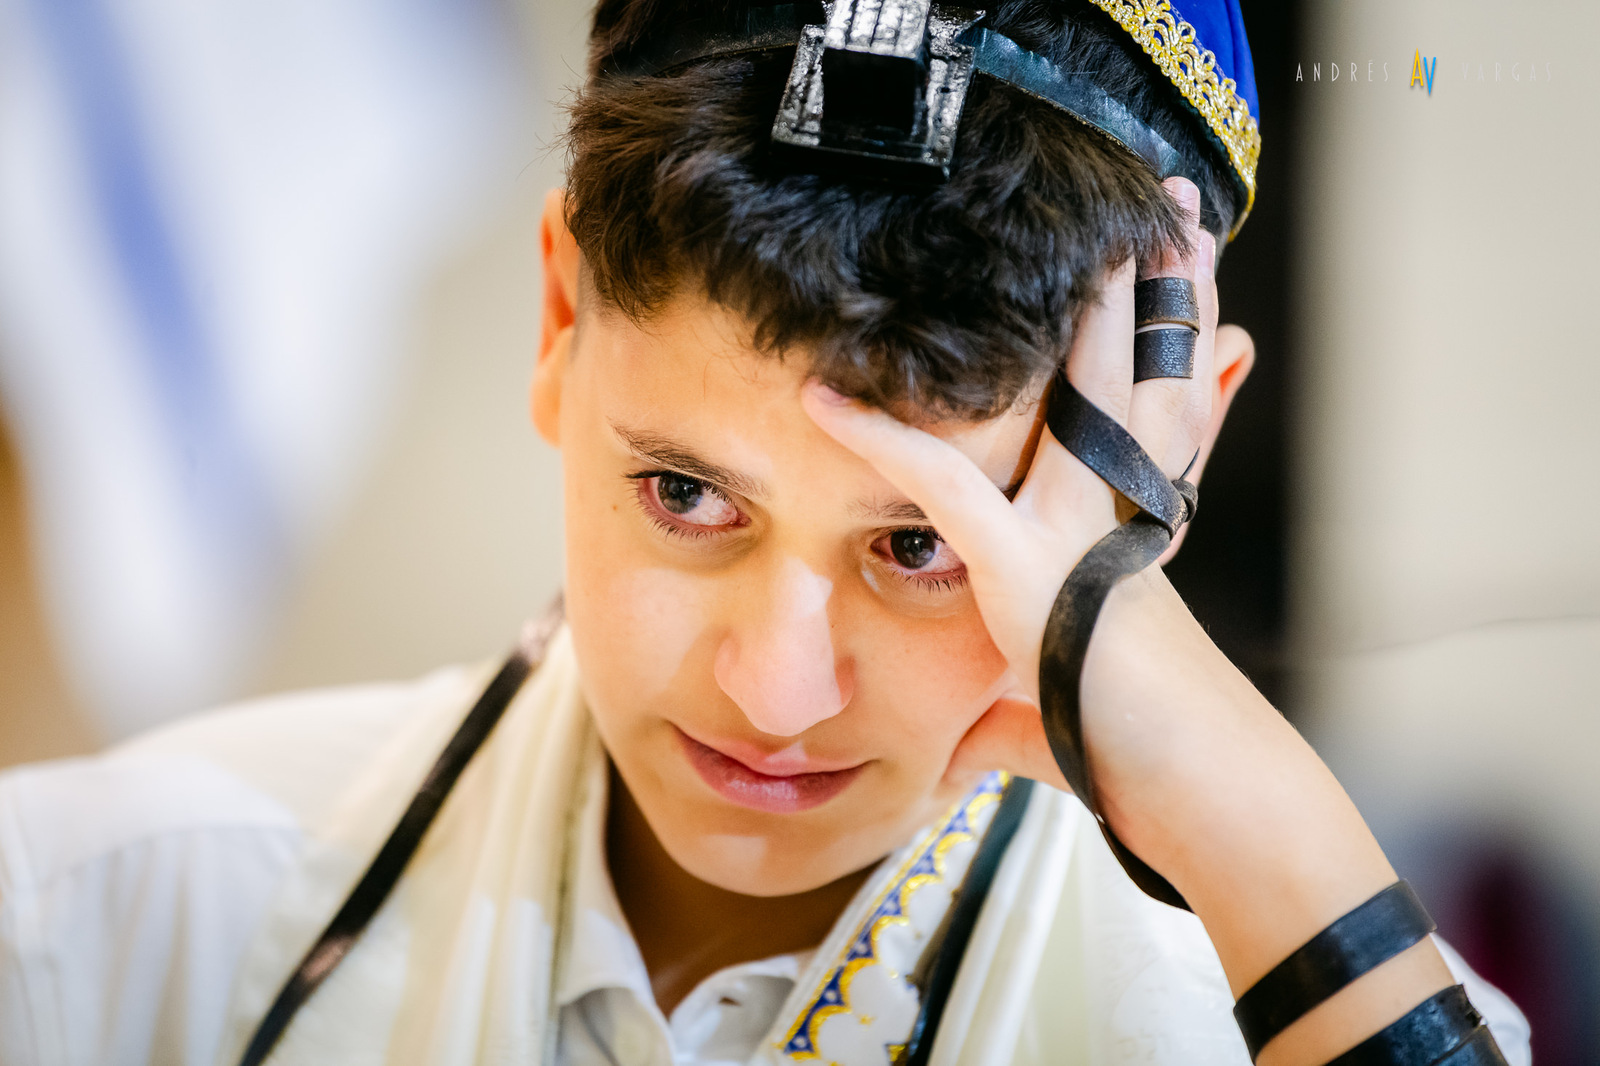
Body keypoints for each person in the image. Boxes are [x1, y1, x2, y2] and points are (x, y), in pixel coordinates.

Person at [0, 2, 1533, 1065]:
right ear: (558, 317)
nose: (775, 690)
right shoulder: (87, 928)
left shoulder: (1258, 1017)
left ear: (1170, 451)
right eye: (687, 495)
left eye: (922, 544)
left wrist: (1246, 815)